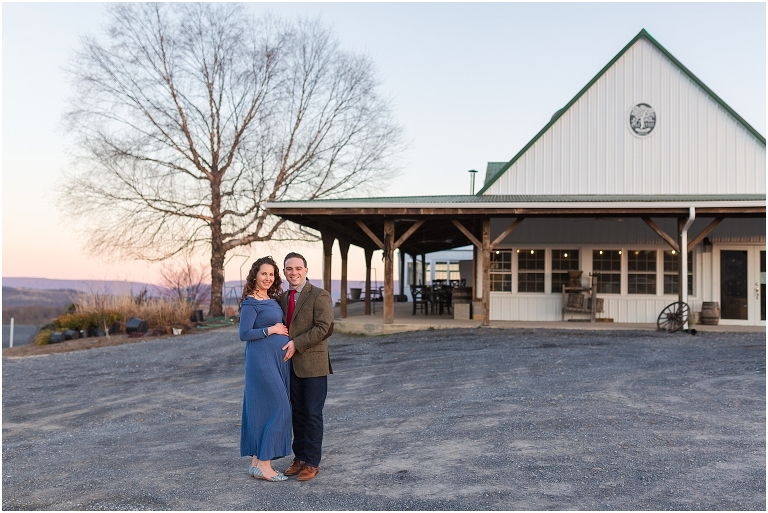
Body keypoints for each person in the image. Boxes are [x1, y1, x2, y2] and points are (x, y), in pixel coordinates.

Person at [280, 252, 334, 481]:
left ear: (306, 270)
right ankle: (299, 457)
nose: (294, 272)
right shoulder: (283, 298)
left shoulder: (320, 295)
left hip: (313, 364)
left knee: (312, 414)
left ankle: (312, 462)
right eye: (289, 269)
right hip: (290, 365)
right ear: (284, 273)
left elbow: (325, 328)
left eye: (298, 268)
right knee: (297, 414)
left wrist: (296, 343)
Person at [238, 256, 292, 482]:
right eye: (264, 274)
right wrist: (271, 330)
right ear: (255, 275)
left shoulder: (271, 299)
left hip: (276, 361)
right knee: (280, 407)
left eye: (271, 274)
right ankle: (265, 465)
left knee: (261, 409)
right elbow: (244, 334)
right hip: (261, 362)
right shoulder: (251, 303)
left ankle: (254, 463)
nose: (268, 278)